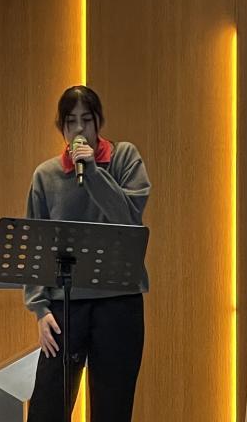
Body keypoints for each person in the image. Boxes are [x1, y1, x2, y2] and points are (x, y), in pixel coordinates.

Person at [23, 85, 151, 422]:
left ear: (98, 123)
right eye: (71, 121)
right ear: (62, 128)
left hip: (119, 302)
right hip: (65, 304)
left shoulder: (124, 159)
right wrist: (40, 309)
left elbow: (128, 219)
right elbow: (37, 246)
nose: (79, 129)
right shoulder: (46, 176)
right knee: (47, 408)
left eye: (87, 120)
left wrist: (93, 172)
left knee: (112, 409)